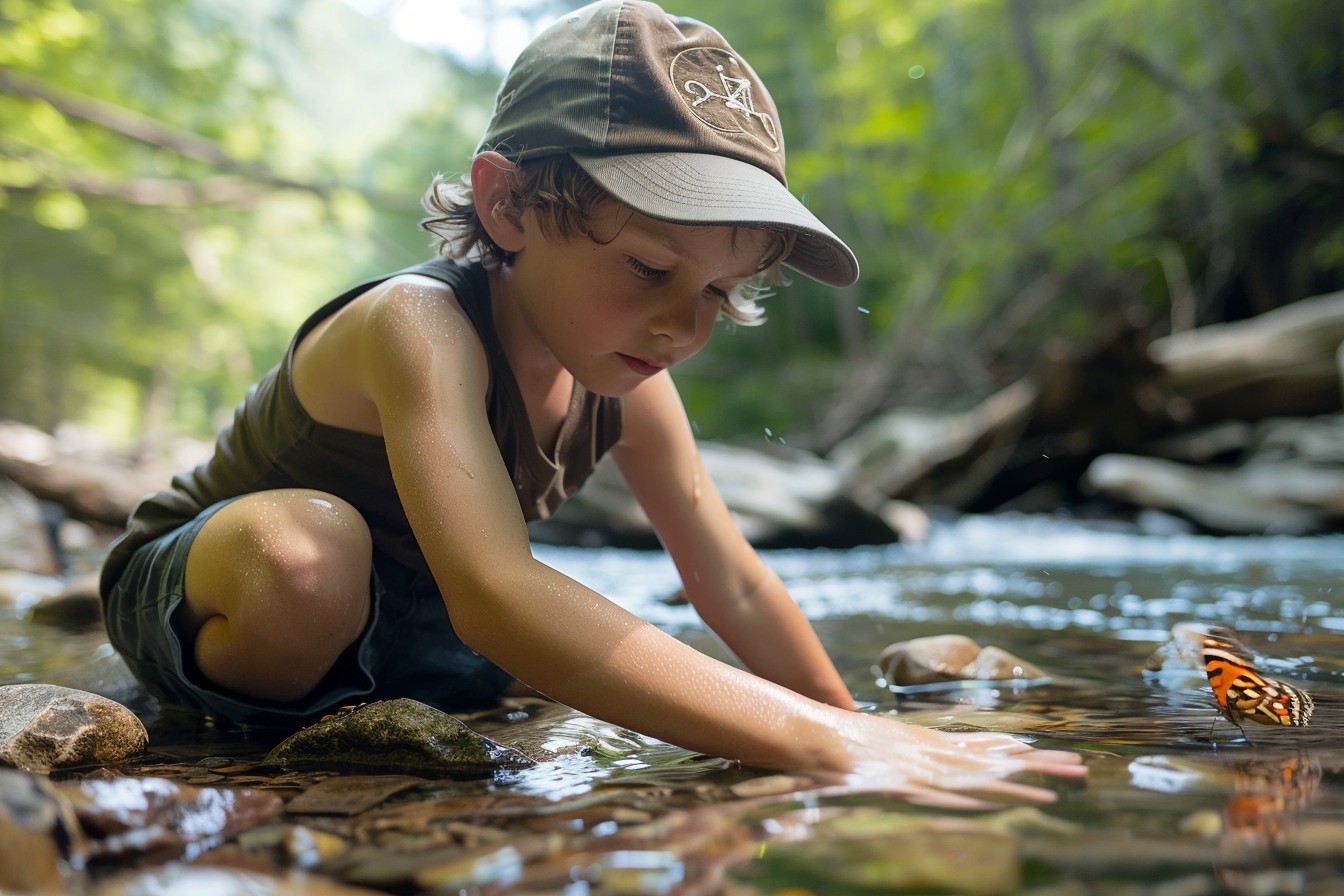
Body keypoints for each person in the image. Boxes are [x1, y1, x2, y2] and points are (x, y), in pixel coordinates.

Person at [100, 0, 1084, 806]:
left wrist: (858, 724)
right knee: (308, 559)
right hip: (209, 580)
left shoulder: (628, 380)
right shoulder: (417, 323)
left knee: (574, 644)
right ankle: (242, 727)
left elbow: (732, 582)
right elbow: (496, 593)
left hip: (415, 623)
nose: (681, 327)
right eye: (651, 266)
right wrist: (815, 744)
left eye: (716, 293)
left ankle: (399, 703)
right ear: (507, 205)